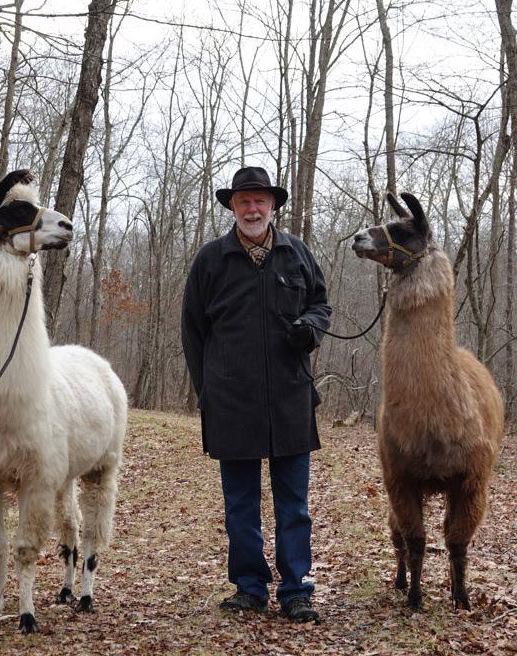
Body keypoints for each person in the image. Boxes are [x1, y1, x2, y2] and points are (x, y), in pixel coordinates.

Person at [181, 166, 331, 623]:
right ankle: (249, 587)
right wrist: (207, 391)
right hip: (231, 401)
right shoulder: (211, 260)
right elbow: (193, 332)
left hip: (289, 397)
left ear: (272, 206)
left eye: (260, 200)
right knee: (240, 504)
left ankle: (295, 589)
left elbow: (321, 304)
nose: (252, 208)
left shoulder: (296, 254)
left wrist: (311, 328)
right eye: (244, 201)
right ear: (232, 206)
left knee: (295, 504)